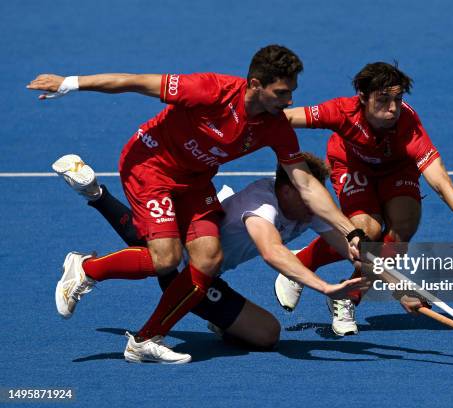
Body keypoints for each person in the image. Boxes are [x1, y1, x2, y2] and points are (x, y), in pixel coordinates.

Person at [28, 45, 365, 363]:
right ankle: (85, 269)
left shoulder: (275, 126)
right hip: (150, 165)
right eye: (281, 92)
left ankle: (146, 340)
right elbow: (135, 82)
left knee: (207, 257)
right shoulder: (210, 90)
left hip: (195, 180)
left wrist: (349, 231)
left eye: (292, 91)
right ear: (255, 84)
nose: (289, 100)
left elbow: (305, 182)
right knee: (166, 258)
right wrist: (69, 83)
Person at [51, 152, 366, 355]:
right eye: (310, 193)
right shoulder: (261, 205)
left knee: (267, 335)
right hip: (189, 267)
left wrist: (402, 284)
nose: (317, 201)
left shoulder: (308, 209)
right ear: (286, 190)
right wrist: (325, 287)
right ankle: (87, 268)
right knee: (162, 257)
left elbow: (351, 251)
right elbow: (272, 253)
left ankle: (95, 192)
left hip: (206, 264)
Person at [275, 62, 453, 335]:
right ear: (362, 96)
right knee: (367, 232)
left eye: (397, 99)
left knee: (403, 227)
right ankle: (298, 265)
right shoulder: (342, 111)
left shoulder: (409, 128)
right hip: (351, 164)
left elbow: (441, 181)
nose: (393, 108)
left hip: (396, 168)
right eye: (383, 100)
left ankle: (348, 296)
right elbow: (285, 118)